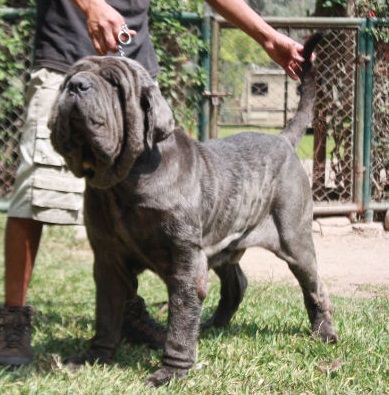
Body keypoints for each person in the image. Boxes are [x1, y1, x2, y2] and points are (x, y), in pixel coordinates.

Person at [0, 0, 308, 366]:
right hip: (67, 58)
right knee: (34, 197)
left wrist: (266, 36)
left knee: (153, 201)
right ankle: (13, 320)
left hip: (133, 74)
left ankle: (126, 316)